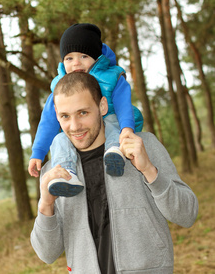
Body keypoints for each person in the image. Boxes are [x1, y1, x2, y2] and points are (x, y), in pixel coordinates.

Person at [30, 72, 198, 274]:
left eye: (83, 113)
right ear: (56, 113)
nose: (74, 126)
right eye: (65, 116)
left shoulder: (142, 145)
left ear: (102, 106)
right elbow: (47, 254)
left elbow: (187, 214)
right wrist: (46, 205)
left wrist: (149, 171)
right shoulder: (55, 172)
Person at [28, 23, 143, 197]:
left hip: (114, 121)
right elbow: (48, 121)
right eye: (69, 58)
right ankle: (67, 174)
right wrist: (38, 152)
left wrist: (127, 129)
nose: (76, 63)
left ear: (96, 58)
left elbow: (123, 105)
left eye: (83, 56)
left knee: (111, 121)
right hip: (84, 131)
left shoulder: (111, 76)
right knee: (59, 139)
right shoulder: (60, 87)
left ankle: (114, 153)